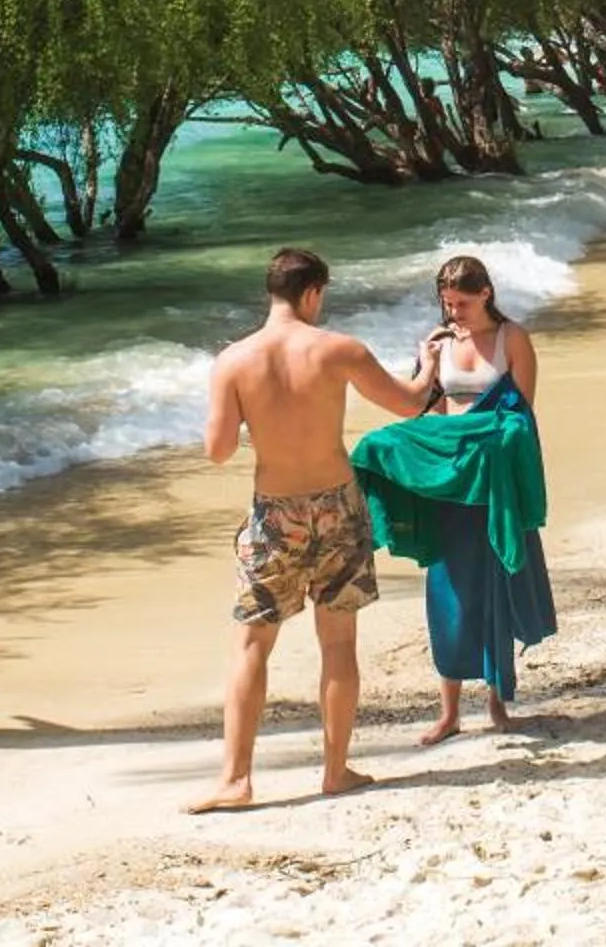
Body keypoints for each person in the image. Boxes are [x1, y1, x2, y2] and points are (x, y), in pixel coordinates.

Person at [193, 246, 421, 812]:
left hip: (276, 514)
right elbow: (409, 404)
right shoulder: (338, 349)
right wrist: (430, 366)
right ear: (313, 292)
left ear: (271, 292)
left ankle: (236, 781)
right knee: (338, 642)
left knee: (251, 645)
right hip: (339, 508)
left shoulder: (233, 361)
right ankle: (336, 770)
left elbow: (218, 451)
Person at [392, 255, 555, 743]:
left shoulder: (513, 340)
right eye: (447, 304)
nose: (454, 313)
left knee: (494, 585)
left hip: (495, 482)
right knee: (446, 588)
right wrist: (423, 364)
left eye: (461, 303)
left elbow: (520, 420)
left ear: (486, 293)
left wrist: (482, 439)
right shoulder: (440, 344)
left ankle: (497, 703)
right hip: (451, 479)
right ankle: (448, 712)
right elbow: (429, 410)